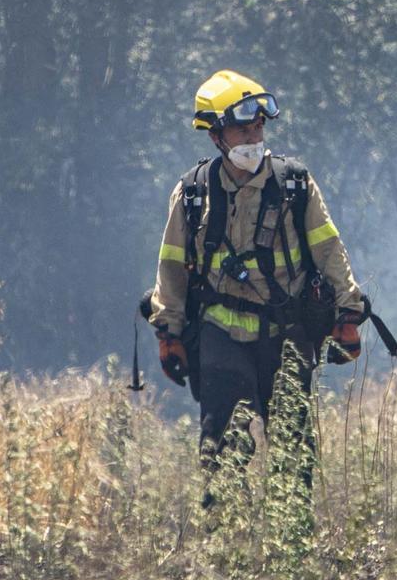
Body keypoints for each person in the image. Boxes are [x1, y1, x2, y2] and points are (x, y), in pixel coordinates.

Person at [146, 71, 366, 476]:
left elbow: (329, 250)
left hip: (288, 334)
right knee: (220, 450)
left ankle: (293, 537)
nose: (253, 137)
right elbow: (172, 268)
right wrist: (169, 334)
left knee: (294, 454)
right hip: (219, 334)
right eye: (242, 128)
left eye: (259, 126)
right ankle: (222, 535)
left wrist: (348, 314)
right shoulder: (193, 193)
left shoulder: (295, 185)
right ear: (216, 136)